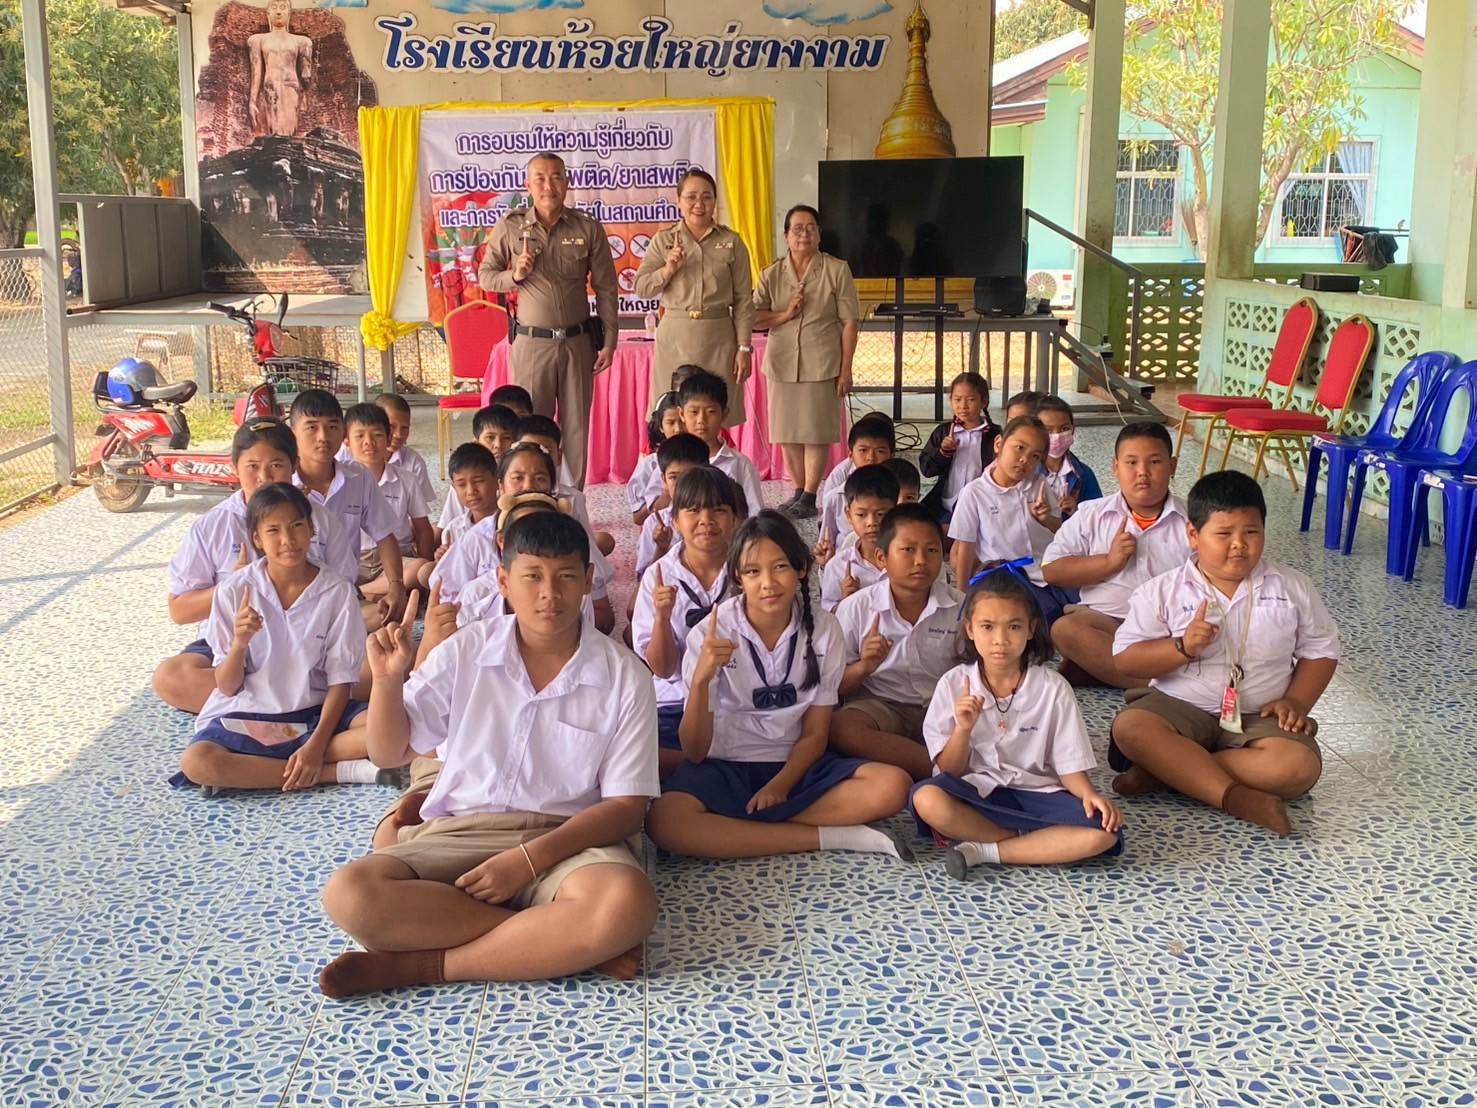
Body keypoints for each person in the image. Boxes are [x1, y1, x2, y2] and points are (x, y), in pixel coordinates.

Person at [318, 513, 660, 997]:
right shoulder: (466, 651)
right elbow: (388, 751)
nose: (549, 594)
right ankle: (553, 938)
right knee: (351, 894)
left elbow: (627, 808)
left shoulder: (626, 676)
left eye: (565, 577)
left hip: (566, 841)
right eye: (532, 576)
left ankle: (427, 965)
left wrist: (527, 860)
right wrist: (388, 682)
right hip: (462, 828)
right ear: (503, 581)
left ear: (588, 581)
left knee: (624, 905)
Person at [644, 511, 914, 860]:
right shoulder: (711, 634)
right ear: (738, 577)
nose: (768, 583)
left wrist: (781, 785)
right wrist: (700, 681)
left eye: (780, 567)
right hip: (726, 763)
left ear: (801, 568)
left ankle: (737, 828)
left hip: (797, 763)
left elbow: (815, 733)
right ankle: (830, 835)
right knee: (665, 821)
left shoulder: (823, 628)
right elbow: (694, 750)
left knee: (892, 787)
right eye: (753, 572)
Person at [1109, 470, 1336, 837]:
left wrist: (1296, 701)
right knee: (1132, 728)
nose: (1239, 545)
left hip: (1258, 715)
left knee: (1298, 767)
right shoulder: (1162, 591)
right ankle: (1236, 798)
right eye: (1224, 534)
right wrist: (1181, 647)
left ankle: (1167, 772)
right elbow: (1126, 659)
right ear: (1193, 535)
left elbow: (1321, 651)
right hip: (1178, 707)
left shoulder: (1292, 587)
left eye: (1251, 532)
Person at [911, 569, 1123, 879]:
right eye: (987, 627)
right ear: (969, 629)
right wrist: (963, 729)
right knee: (927, 799)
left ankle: (984, 850)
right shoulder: (953, 684)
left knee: (1103, 833)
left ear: (1031, 629)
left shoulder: (1053, 688)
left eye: (1013, 626)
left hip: (1039, 794)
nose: (1000, 640)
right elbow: (949, 770)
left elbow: (1069, 764)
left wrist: (1089, 795)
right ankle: (1034, 842)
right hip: (977, 791)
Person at [173, 484, 381, 794]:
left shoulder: (336, 591)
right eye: (273, 530)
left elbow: (341, 681)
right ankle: (334, 771)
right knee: (197, 761)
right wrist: (239, 643)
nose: (288, 540)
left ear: (311, 529)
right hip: (252, 715)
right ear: (257, 538)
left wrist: (316, 744)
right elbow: (227, 686)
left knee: (384, 730)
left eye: (297, 526)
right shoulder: (235, 590)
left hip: (314, 711)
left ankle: (257, 768)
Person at [154, 419, 344, 715]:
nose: (264, 478)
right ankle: (279, 702)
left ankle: (254, 704)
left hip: (307, 643)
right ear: (235, 468)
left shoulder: (320, 520)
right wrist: (234, 584)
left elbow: (342, 589)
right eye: (252, 467)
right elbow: (179, 610)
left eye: (276, 465)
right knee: (170, 677)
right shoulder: (212, 526)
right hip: (233, 646)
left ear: (294, 466)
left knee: (372, 668)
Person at [477, 153, 619, 489]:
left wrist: (610, 341)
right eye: (539, 178)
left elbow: (606, 288)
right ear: (528, 185)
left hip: (577, 343)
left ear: (567, 183)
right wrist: (515, 275)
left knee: (576, 428)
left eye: (556, 177)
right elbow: (486, 276)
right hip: (532, 343)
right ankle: (532, 497)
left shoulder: (586, 227)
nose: (548, 185)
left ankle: (573, 500)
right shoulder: (511, 226)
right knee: (530, 428)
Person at [1042, 423, 1189, 689]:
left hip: (1170, 629)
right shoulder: (1092, 514)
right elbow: (1051, 569)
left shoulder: (1194, 521)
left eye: (1154, 462)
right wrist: (1109, 562)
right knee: (1066, 629)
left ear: (1173, 466)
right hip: (1108, 623)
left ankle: (1107, 671)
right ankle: (1162, 686)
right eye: (1131, 462)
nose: (1142, 472)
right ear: (1115, 467)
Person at [831, 504, 962, 782]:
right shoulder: (856, 608)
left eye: (931, 550)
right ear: (882, 557)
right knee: (842, 728)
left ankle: (927, 766)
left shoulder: (961, 607)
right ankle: (942, 770)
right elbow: (832, 687)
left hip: (943, 704)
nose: (921, 560)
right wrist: (865, 666)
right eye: (908, 550)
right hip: (883, 705)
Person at [631, 467, 746, 775]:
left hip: (739, 699)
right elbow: (663, 670)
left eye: (718, 510)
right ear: (675, 520)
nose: (706, 520)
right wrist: (662, 619)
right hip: (676, 701)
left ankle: (711, 766)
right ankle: (717, 765)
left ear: (735, 519)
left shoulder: (750, 569)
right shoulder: (659, 576)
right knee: (636, 751)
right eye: (693, 510)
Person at [753, 204, 861, 520]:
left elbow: (849, 322)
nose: (804, 234)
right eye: (797, 228)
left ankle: (810, 495)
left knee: (815, 432)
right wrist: (785, 314)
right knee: (787, 432)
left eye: (811, 228)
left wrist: (846, 369)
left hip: (821, 363)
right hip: (781, 363)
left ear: (819, 234)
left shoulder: (836, 270)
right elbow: (753, 318)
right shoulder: (771, 274)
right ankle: (798, 491)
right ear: (786, 235)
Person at [633, 169, 755, 426]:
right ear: (678, 200)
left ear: (715, 201)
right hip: (675, 339)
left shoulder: (731, 242)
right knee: (673, 415)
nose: (699, 204)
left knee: (712, 416)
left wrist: (744, 347)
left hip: (719, 339)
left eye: (706, 197)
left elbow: (744, 300)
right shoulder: (664, 241)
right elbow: (641, 287)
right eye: (691, 197)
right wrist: (667, 270)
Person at [289, 390, 406, 622]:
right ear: (293, 432)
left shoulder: (358, 477)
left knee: (387, 619)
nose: (323, 437)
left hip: (343, 595)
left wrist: (396, 586)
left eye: (332, 426)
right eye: (312, 427)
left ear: (342, 432)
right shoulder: (283, 485)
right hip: (294, 602)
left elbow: (384, 534)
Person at [947, 415, 1072, 626]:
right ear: (999, 444)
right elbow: (965, 548)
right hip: (1005, 576)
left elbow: (1059, 529)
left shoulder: (1038, 484)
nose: (1024, 460)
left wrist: (1045, 519)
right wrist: (963, 595)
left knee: (1084, 599)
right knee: (1043, 616)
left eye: (1035, 456)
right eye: (1019, 448)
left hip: (1047, 569)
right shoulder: (974, 493)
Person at [429, 444, 558, 603]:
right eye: (518, 478)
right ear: (501, 486)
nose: (528, 486)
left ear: (551, 486)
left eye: (540, 479)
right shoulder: (477, 537)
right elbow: (443, 590)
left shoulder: (568, 532)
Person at [344, 403, 435, 603]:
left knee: (425, 570)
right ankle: (373, 594)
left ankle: (359, 593)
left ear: (387, 438)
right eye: (359, 436)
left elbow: (423, 528)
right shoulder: (339, 482)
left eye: (377, 435)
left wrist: (428, 570)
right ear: (346, 441)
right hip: (354, 560)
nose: (368, 442)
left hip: (396, 558)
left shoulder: (406, 480)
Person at [515, 415, 616, 558]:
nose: (537, 459)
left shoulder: (574, 498)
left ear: (559, 456)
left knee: (603, 542)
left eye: (546, 452)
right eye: (530, 450)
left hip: (559, 558)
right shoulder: (505, 493)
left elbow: (584, 543)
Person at [676, 370, 764, 516]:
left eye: (711, 412)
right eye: (694, 412)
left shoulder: (740, 465)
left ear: (724, 414)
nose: (701, 420)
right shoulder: (672, 463)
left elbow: (755, 515)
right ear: (681, 414)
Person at [919, 372, 998, 524]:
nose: (963, 406)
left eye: (971, 399)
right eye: (957, 399)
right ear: (951, 400)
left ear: (984, 402)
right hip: (946, 504)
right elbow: (927, 469)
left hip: (981, 507)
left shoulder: (994, 435)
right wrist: (943, 453)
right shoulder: (943, 432)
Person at [819, 464, 899, 612]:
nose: (871, 522)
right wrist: (847, 602)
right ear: (848, 514)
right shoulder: (838, 566)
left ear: (896, 512)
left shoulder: (908, 560)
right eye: (861, 515)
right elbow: (827, 616)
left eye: (881, 514)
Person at [816, 414, 896, 556]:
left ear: (892, 455)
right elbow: (826, 543)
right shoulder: (836, 496)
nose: (871, 458)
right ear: (851, 454)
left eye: (880, 451)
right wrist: (826, 563)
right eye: (863, 450)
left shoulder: (900, 491)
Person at [634, 433, 710, 580]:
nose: (682, 484)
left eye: (689, 476)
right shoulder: (654, 523)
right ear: (664, 480)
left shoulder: (716, 518)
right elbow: (644, 581)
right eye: (674, 477)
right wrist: (661, 548)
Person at [1035, 395, 1102, 518]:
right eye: (1048, 430)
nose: (1057, 436)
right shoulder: (1026, 472)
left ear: (1073, 430)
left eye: (1064, 428)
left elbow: (1097, 518)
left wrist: (1076, 512)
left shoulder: (1084, 475)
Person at [630, 392, 686, 527]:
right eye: (670, 423)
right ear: (661, 427)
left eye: (682, 422)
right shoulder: (650, 464)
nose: (678, 429)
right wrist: (666, 493)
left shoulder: (705, 459)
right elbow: (638, 518)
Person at [376, 393, 435, 510]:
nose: (398, 435)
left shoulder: (414, 463)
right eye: (391, 426)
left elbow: (418, 513)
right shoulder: (351, 457)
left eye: (404, 428)